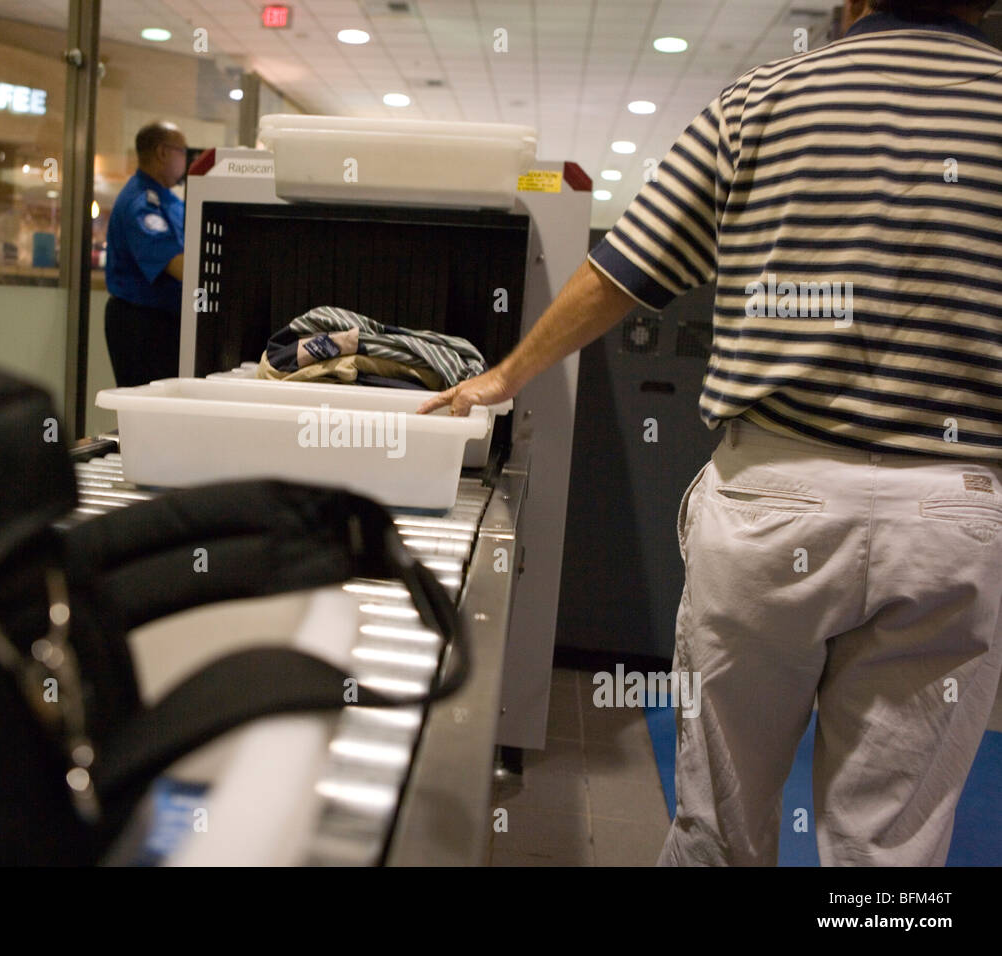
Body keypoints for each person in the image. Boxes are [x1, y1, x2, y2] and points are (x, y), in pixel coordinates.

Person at [419, 0, 1002, 866]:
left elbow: (622, 270)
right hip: (954, 512)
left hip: (778, 499)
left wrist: (503, 377)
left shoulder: (762, 100)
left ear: (849, 3)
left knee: (720, 829)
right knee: (892, 849)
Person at [104, 121, 188, 386]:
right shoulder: (141, 203)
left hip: (164, 321)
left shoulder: (168, 199)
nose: (186, 160)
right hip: (142, 323)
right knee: (145, 404)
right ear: (163, 153)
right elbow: (178, 266)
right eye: (183, 152)